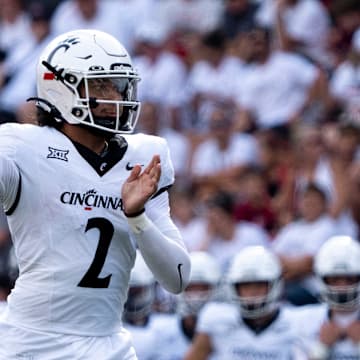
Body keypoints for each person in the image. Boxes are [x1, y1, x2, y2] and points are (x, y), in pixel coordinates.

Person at [0, 29, 191, 359]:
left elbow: (177, 277)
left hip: (108, 343)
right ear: (61, 87)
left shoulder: (145, 156)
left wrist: (137, 217)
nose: (115, 98)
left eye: (117, 86)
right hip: (32, 342)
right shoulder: (21, 147)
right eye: (100, 86)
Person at [185, 246, 308, 359]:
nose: (252, 293)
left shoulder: (298, 322)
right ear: (234, 287)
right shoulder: (216, 318)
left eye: (259, 285)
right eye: (246, 286)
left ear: (275, 285)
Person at [293, 236, 360, 359]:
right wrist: (321, 349)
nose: (342, 287)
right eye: (334, 279)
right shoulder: (304, 320)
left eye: (349, 279)